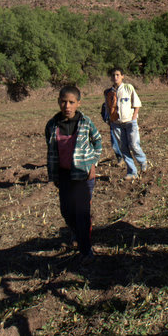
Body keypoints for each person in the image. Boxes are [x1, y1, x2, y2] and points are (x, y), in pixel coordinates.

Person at [45, 85, 102, 263]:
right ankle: (77, 232)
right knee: (66, 211)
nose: (67, 106)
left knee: (81, 213)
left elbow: (98, 141)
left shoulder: (85, 123)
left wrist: (93, 163)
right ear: (58, 102)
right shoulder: (52, 125)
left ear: (78, 103)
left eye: (71, 102)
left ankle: (86, 251)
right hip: (63, 175)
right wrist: (53, 175)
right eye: (63, 102)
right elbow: (51, 150)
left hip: (82, 174)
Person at [104, 67, 149, 180]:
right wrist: (110, 120)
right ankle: (132, 172)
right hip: (116, 123)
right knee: (123, 148)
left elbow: (136, 104)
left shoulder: (128, 88)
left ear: (122, 76)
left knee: (134, 145)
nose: (115, 77)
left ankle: (143, 161)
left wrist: (134, 118)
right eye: (113, 75)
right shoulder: (108, 92)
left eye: (118, 75)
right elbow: (107, 107)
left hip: (130, 122)